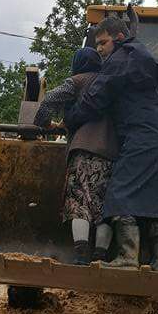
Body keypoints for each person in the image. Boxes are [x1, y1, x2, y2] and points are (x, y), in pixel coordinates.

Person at [65, 14, 158, 271]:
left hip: (143, 137)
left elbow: (94, 100)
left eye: (103, 43)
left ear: (119, 38)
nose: (99, 50)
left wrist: (71, 120)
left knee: (119, 192)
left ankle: (128, 258)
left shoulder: (120, 60)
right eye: (97, 44)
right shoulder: (151, 62)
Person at [33, 47, 119, 264]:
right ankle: (100, 257)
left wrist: (44, 124)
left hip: (82, 151)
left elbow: (51, 98)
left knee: (80, 202)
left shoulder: (77, 81)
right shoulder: (112, 83)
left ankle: (81, 256)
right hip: (111, 153)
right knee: (104, 207)